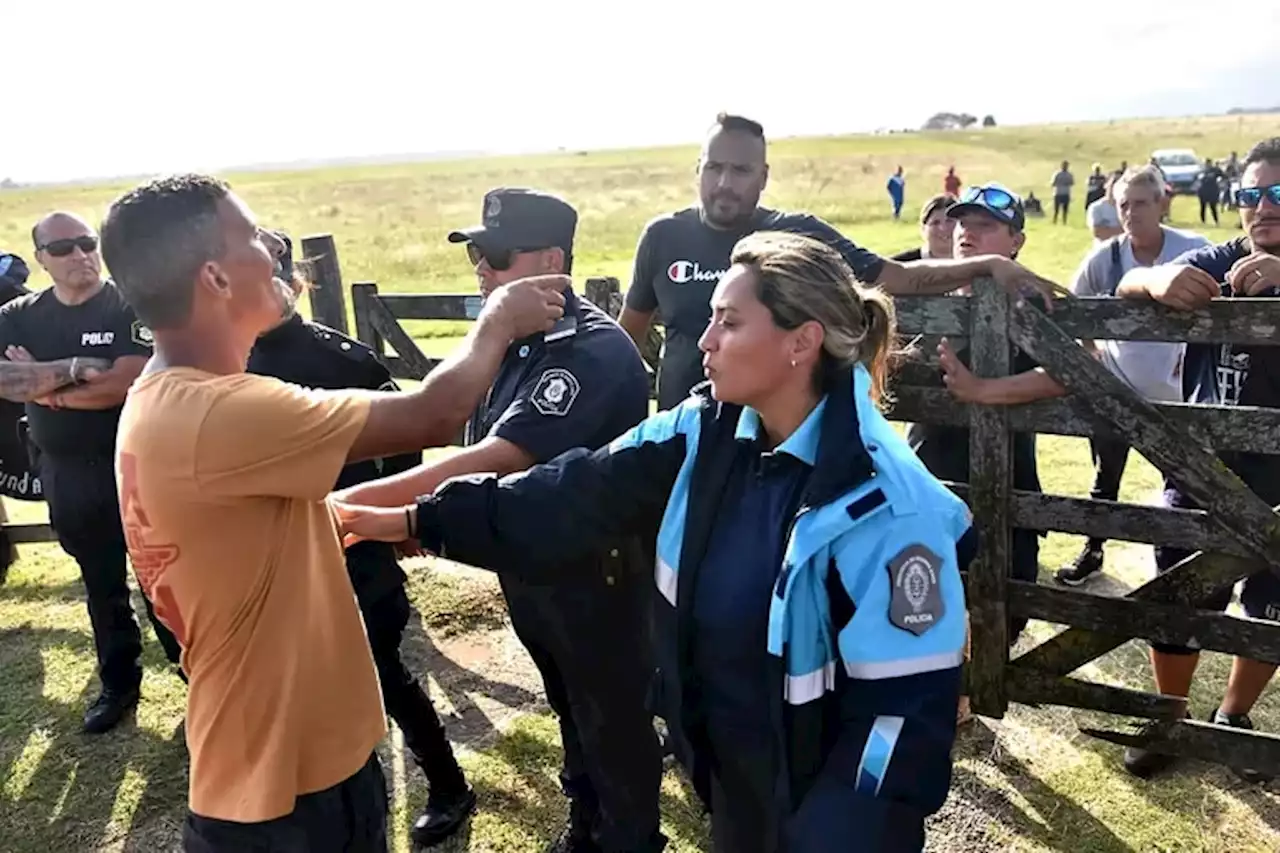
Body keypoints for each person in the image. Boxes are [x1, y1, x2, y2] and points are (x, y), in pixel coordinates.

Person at [335, 231, 974, 853]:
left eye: (728, 322)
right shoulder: (708, 431)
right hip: (732, 779)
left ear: (800, 342)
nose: (703, 341)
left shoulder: (889, 506)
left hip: (823, 813)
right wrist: (421, 520)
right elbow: (571, 492)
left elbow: (899, 724)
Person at [101, 173, 565, 851]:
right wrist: (497, 320)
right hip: (285, 801)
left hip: (280, 771)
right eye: (254, 237)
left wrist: (364, 515)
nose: (274, 248)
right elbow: (433, 411)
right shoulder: (220, 412)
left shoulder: (164, 401)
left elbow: (254, 533)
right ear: (216, 279)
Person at [339, 188, 664, 853]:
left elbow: (495, 459)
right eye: (474, 256)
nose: (480, 269)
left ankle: (627, 838)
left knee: (613, 725)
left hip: (596, 581)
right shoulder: (517, 340)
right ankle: (586, 825)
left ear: (550, 259)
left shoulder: (589, 352)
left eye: (492, 255)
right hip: (535, 565)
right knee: (573, 712)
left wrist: (353, 511)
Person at [245, 232, 475, 847]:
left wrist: (396, 519)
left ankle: (448, 784)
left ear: (287, 280)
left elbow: (407, 443)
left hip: (349, 549)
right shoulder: (222, 368)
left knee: (382, 674)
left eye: (263, 272)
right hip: (263, 561)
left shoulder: (345, 362)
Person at [619, 112, 1060, 411]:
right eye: (714, 168)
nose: (724, 183)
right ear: (698, 170)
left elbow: (900, 277)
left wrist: (986, 266)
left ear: (764, 177)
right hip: (681, 441)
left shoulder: (797, 234)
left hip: (768, 448)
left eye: (740, 171)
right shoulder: (662, 237)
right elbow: (627, 345)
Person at [1113, 137, 1280, 783]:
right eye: (1250, 194)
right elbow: (1129, 280)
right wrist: (1157, 277)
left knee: (1272, 604)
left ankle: (1232, 714)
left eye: (1276, 194)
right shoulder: (1222, 257)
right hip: (1203, 468)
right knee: (1180, 595)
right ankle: (1172, 714)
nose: (1262, 207)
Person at [0, 212, 183, 733]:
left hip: (137, 467)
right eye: (63, 248)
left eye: (87, 243)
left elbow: (127, 382)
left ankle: (194, 676)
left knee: (162, 580)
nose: (80, 254)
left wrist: (43, 383)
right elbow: (3, 380)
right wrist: (80, 368)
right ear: (40, 258)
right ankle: (119, 684)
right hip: (66, 472)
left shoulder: (128, 303)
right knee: (100, 582)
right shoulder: (18, 314)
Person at [909, 184, 1063, 645]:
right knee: (923, 609)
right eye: (962, 223)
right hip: (928, 484)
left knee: (1002, 615)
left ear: (1016, 241)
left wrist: (984, 390)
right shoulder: (925, 300)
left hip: (1006, 485)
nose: (966, 233)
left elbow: (1078, 369)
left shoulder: (1030, 300)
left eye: (986, 226)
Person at [1055, 166, 1211, 587]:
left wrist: (1197, 359)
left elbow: (1225, 313)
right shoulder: (1103, 259)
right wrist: (1096, 361)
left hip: (1180, 396)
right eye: (1123, 204)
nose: (1131, 212)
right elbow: (1071, 312)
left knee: (1184, 482)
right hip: (1118, 394)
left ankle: (1186, 561)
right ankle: (1092, 550)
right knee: (1104, 480)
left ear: (1162, 203)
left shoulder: (1194, 248)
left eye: (1141, 202)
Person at [891, 193, 956, 262]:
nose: (943, 228)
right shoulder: (899, 265)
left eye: (949, 221)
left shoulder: (968, 263)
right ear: (923, 229)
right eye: (935, 223)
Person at [1085, 175, 1123, 243]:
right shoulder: (1096, 207)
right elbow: (1099, 233)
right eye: (1113, 184)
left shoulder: (1128, 208)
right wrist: (1125, 231)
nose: (1115, 188)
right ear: (1106, 185)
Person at [1198, 157, 1225, 226]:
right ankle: (1203, 221)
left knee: (1213, 206)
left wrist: (1220, 181)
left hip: (1212, 190)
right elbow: (1197, 179)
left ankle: (1216, 221)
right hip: (1203, 190)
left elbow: (1223, 176)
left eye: (1208, 163)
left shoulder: (1215, 170)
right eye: (1206, 164)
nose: (1207, 165)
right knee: (1203, 206)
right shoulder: (1202, 170)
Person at [1051, 160, 1075, 224]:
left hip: (1066, 193)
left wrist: (1067, 183)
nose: (1065, 167)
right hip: (1058, 193)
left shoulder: (1069, 175)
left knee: (1065, 209)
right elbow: (1053, 183)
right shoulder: (1057, 174)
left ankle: (1064, 221)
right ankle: (1054, 221)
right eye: (1064, 165)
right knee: (1056, 209)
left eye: (1066, 165)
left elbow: (1072, 183)